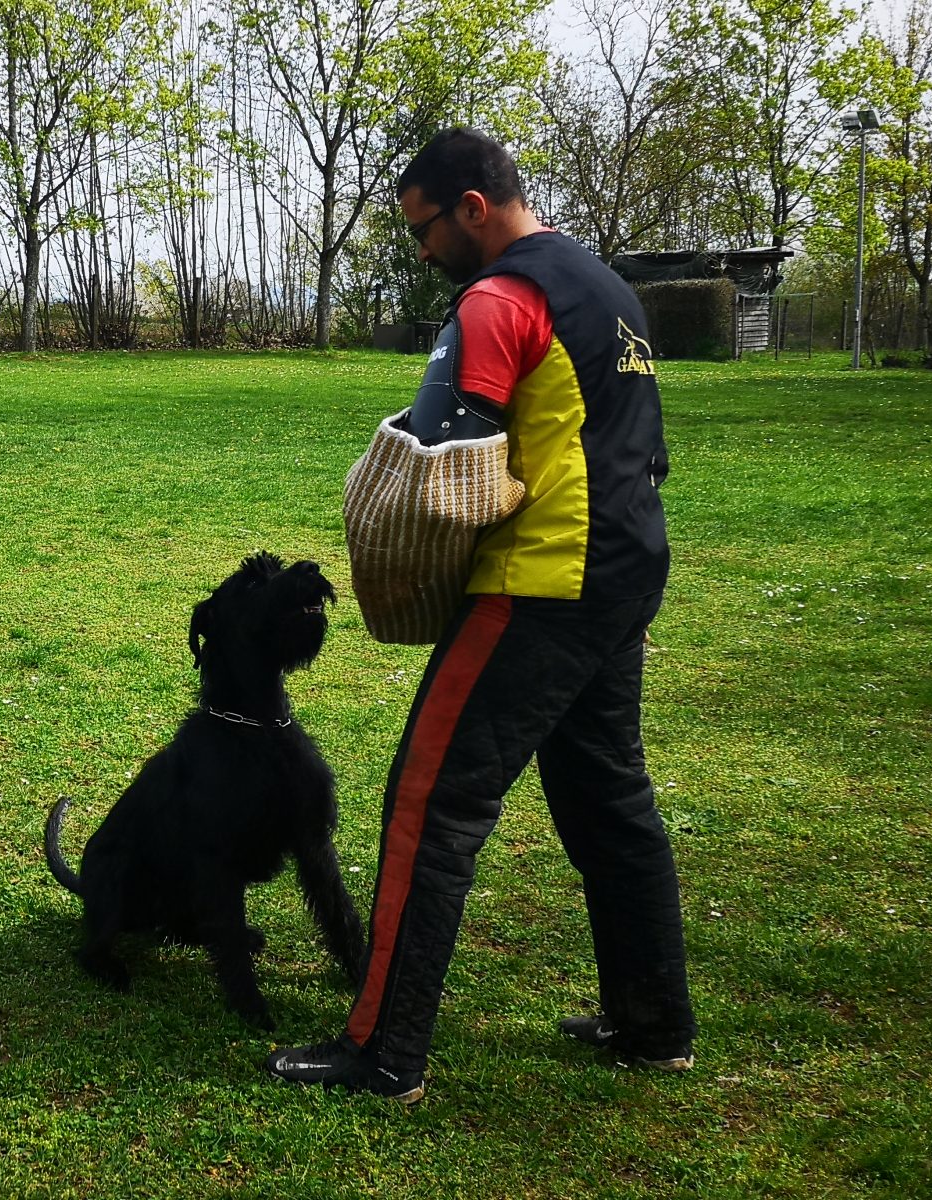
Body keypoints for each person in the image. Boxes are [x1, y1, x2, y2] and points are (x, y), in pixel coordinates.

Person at [265, 127, 695, 1103]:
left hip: (539, 584)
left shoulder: (497, 300)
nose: (421, 252)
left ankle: (384, 1052)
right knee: (608, 801)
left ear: (471, 208)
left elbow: (437, 450)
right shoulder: (605, 288)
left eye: (424, 229)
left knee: (430, 805)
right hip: (627, 570)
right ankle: (653, 1021)